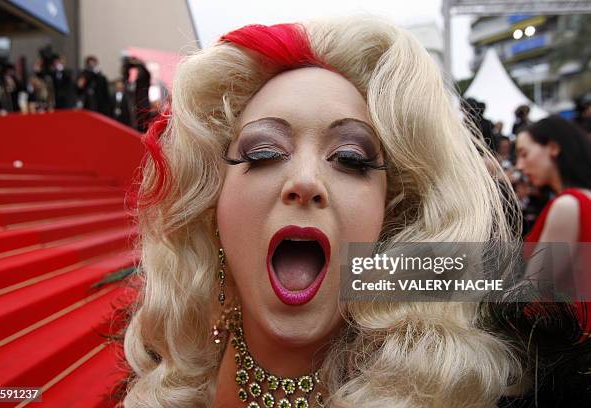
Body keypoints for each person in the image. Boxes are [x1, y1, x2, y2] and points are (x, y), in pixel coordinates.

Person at [122, 18, 590, 407]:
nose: (304, 181)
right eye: (264, 153)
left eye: (351, 158)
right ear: (213, 209)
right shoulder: (175, 375)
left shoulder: (470, 381)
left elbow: (562, 275)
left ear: (391, 217)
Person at [515, 115, 591, 309]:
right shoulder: (581, 199)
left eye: (524, 154)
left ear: (553, 147)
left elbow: (532, 290)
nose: (520, 165)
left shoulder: (568, 205)